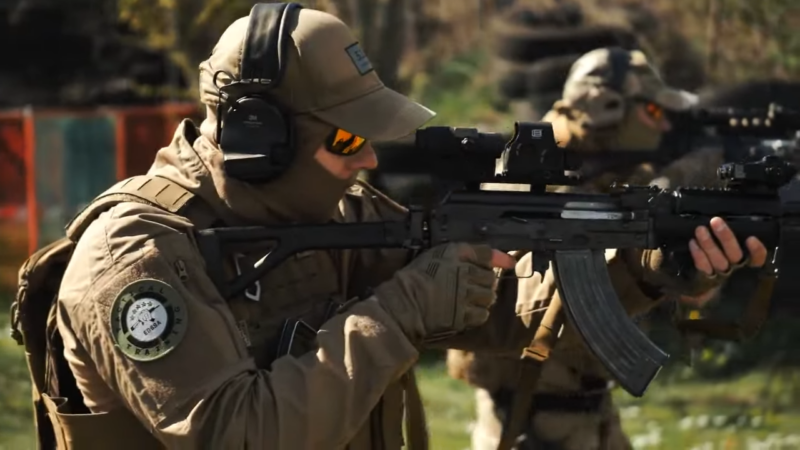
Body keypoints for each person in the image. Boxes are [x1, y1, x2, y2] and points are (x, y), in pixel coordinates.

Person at [48, 6, 766, 449]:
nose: (362, 170)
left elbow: (507, 309)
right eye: (347, 143)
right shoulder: (136, 259)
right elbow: (240, 434)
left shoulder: (331, 214)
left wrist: (648, 270)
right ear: (257, 137)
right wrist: (402, 309)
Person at [447, 46, 767, 450]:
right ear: (605, 108)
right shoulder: (533, 178)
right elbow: (540, 304)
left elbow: (665, 292)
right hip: (526, 419)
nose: (664, 125)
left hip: (593, 408)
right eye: (651, 112)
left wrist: (696, 265)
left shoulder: (615, 175)